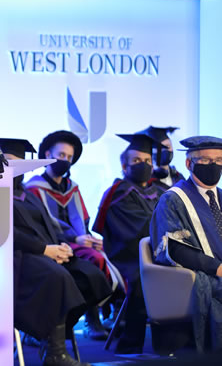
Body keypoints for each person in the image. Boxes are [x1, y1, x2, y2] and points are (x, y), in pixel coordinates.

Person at [1, 138, 111, 366]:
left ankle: (45, 334)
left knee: (90, 276)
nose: (15, 168)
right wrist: (44, 250)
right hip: (17, 257)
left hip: (44, 252)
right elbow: (4, 232)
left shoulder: (27, 194)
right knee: (57, 277)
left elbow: (49, 226)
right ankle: (55, 352)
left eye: (20, 163)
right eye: (9, 162)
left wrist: (63, 247)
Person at [26, 130, 120, 341]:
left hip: (76, 242)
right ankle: (91, 317)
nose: (65, 161)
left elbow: (82, 221)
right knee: (95, 261)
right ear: (48, 153)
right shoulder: (33, 188)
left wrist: (88, 238)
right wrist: (73, 239)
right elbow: (40, 224)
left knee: (103, 252)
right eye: (61, 155)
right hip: (51, 244)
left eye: (69, 157)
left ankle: (107, 315)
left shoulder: (73, 187)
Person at [92, 133, 165, 353]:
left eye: (147, 161)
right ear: (124, 166)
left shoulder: (161, 189)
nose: (143, 165)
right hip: (128, 255)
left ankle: (181, 343)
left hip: (162, 250)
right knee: (145, 278)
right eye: (136, 161)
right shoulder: (119, 193)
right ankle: (131, 345)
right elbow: (135, 231)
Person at [150, 135, 222, 351]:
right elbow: (175, 248)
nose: (214, 166)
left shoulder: (220, 196)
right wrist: (216, 268)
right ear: (189, 164)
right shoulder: (173, 199)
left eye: (219, 160)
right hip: (202, 274)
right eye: (207, 161)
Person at [137, 126, 185, 190]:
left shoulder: (179, 177)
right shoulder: (145, 181)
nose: (165, 150)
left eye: (168, 146)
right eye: (159, 147)